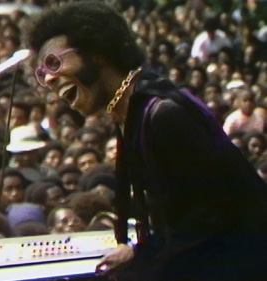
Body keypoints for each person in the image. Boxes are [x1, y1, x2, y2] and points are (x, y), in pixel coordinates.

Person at [27, 2, 267, 280]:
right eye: (42, 74)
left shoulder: (163, 114)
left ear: (97, 53)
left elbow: (211, 220)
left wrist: (143, 259)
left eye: (54, 63)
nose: (50, 80)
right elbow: (180, 217)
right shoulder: (130, 109)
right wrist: (140, 250)